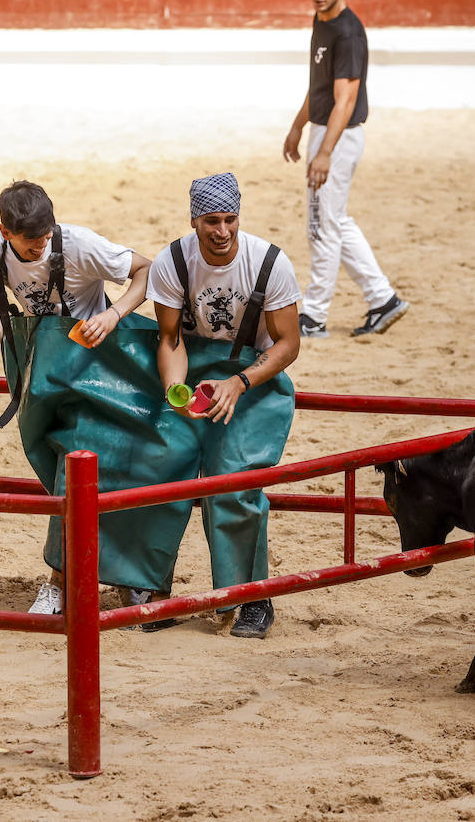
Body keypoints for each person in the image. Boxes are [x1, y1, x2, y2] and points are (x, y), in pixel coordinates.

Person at [0, 179, 152, 615]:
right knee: (56, 471)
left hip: (92, 369)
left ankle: (59, 582)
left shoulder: (80, 244)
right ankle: (123, 576)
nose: (40, 248)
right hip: (35, 370)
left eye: (46, 237)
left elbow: (147, 270)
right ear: (5, 232)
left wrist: (114, 314)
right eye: (30, 242)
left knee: (72, 471)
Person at [146, 173, 301, 638]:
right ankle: (151, 591)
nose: (222, 231)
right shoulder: (172, 261)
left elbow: (288, 344)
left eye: (230, 219)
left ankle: (251, 596)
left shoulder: (270, 263)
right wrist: (176, 392)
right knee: (156, 469)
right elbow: (171, 339)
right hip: (192, 372)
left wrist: (239, 382)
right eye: (211, 220)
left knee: (235, 482)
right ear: (194, 219)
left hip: (251, 379)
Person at [283, 0, 408, 340]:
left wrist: (324, 152)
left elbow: (346, 99)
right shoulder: (321, 20)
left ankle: (315, 317)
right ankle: (382, 299)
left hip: (338, 136)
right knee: (334, 221)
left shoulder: (349, 33)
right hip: (324, 129)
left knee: (320, 226)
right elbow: (318, 87)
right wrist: (297, 125)